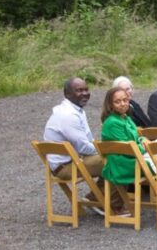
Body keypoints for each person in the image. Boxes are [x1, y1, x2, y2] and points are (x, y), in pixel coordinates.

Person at [43, 77, 109, 211]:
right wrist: (106, 149)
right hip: (65, 167)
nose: (85, 93)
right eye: (79, 90)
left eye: (86, 89)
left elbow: (88, 141)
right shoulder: (68, 115)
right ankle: (99, 200)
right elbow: (84, 147)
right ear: (67, 94)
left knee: (115, 156)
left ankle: (100, 197)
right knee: (115, 160)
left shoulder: (75, 110)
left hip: (73, 160)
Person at [100, 87, 145, 216]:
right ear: (110, 104)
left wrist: (142, 141)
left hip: (131, 158)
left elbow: (136, 139)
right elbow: (129, 148)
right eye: (117, 101)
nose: (122, 104)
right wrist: (144, 147)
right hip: (123, 162)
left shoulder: (126, 118)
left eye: (125, 100)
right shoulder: (112, 123)